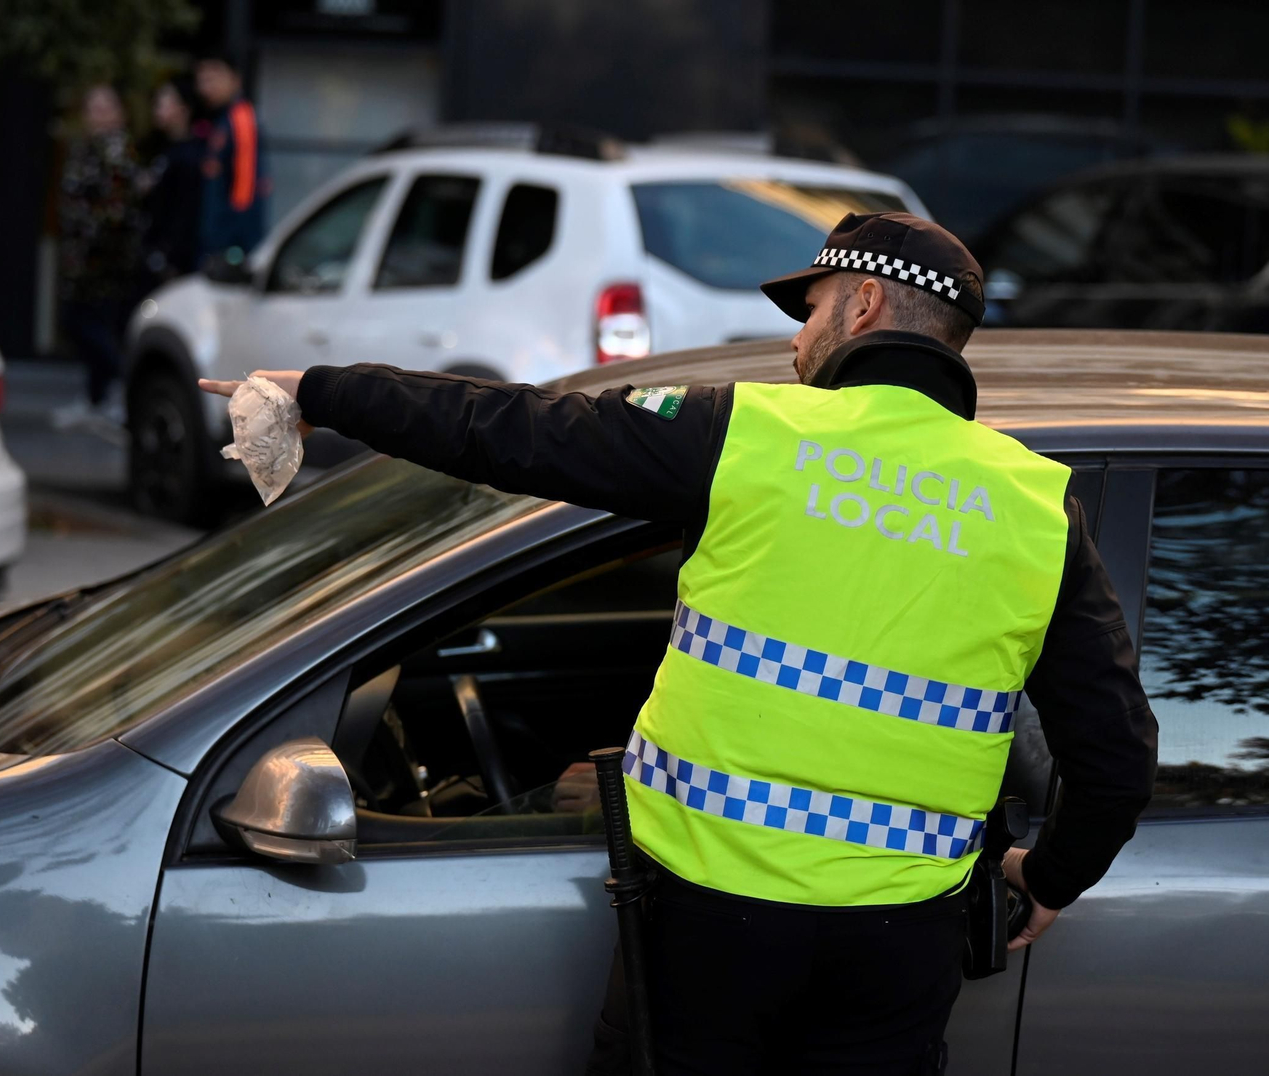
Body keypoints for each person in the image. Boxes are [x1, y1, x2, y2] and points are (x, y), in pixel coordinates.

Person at [198, 212, 1158, 1074]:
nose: (796, 336)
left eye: (811, 307)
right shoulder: (1034, 505)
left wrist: (320, 392)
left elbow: (508, 430)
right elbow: (1114, 756)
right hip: (900, 946)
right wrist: (1050, 876)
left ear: (863, 304)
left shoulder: (744, 433)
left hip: (707, 926)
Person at [55, 83, 141, 430]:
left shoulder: (117, 151)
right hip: (80, 258)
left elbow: (117, 213)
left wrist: (95, 247)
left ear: (120, 112)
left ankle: (119, 387)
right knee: (80, 322)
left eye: (106, 107)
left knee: (90, 323)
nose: (98, 114)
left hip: (104, 261)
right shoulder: (87, 148)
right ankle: (96, 397)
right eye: (93, 108)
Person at [194, 53, 269, 263]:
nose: (207, 87)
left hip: (229, 243)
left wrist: (228, 244)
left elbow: (244, 189)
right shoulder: (218, 118)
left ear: (235, 79)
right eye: (202, 80)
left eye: (214, 78)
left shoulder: (241, 118)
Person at [139, 77, 205, 291]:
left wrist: (169, 257)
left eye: (165, 102)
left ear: (184, 108)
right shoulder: (161, 147)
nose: (158, 108)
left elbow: (185, 212)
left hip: (172, 258)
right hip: (153, 251)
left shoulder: (191, 155)